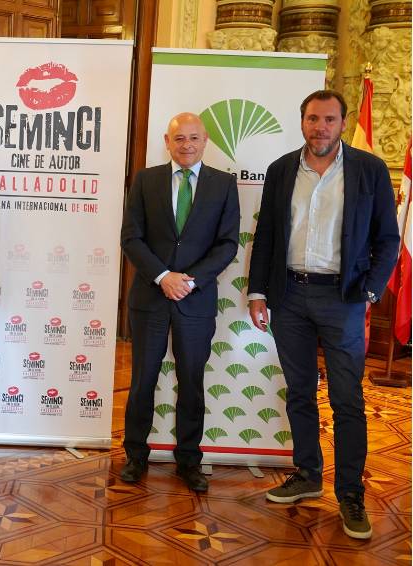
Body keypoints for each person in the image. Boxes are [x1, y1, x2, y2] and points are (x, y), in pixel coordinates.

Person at [247, 90, 399, 539]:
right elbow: (266, 235)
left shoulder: (369, 170)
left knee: (347, 399)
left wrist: (369, 292)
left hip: (343, 298)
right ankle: (307, 475)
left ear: (342, 123)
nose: (321, 127)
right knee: (299, 392)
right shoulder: (280, 170)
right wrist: (258, 292)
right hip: (289, 296)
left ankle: (350, 493)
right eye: (313, 118)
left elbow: (387, 239)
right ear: (302, 122)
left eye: (330, 119)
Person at [120, 112, 240, 492]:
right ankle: (135, 455)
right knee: (142, 380)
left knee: (192, 382)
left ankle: (189, 460)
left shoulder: (224, 184)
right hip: (150, 298)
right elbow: (131, 237)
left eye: (193, 138)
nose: (186, 145)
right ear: (167, 142)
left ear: (205, 141)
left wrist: (190, 280)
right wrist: (163, 276)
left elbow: (227, 244)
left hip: (196, 299)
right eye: (179, 138)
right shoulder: (146, 180)